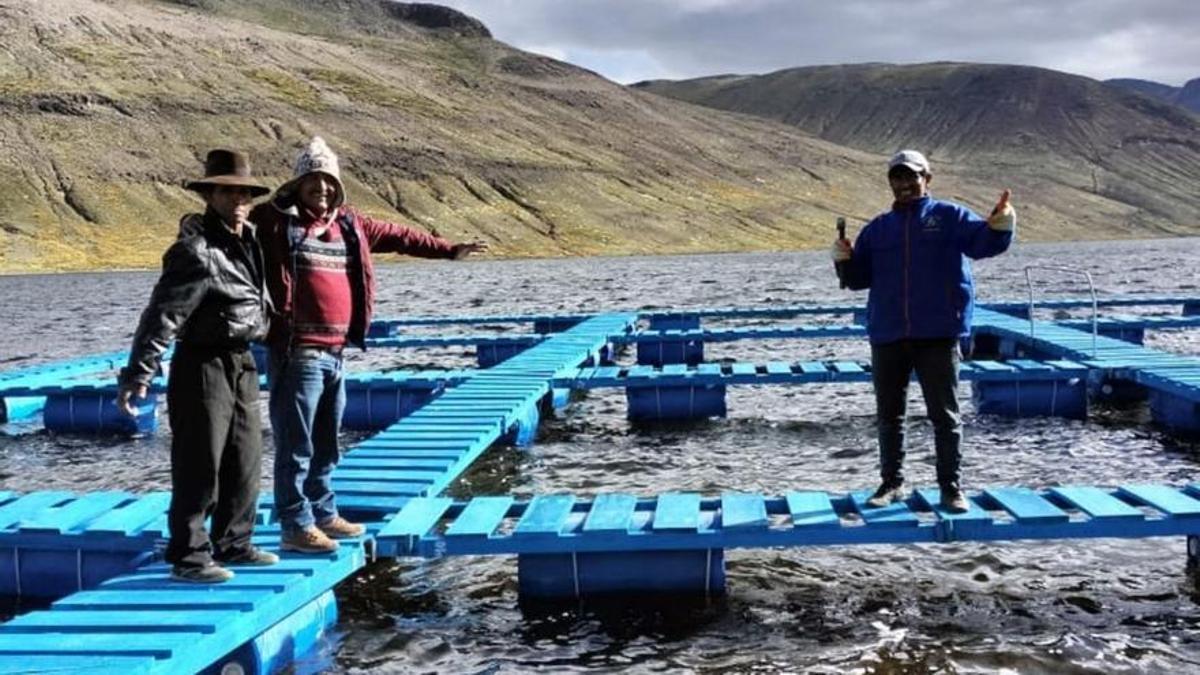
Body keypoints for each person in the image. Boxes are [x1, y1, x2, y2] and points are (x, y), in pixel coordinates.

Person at [253, 136, 488, 553]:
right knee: (296, 444)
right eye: (313, 182)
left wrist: (450, 250)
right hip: (296, 353)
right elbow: (234, 224)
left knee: (327, 442)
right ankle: (295, 524)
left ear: (337, 187)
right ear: (298, 185)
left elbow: (402, 237)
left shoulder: (350, 225)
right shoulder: (275, 223)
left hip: (336, 353)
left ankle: (324, 513)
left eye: (328, 183)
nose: (321, 191)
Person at [118, 149, 278, 583]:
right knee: (199, 461)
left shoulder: (249, 242)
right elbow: (162, 315)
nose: (239, 199)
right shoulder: (195, 250)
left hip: (242, 361)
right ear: (210, 194)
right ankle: (189, 557)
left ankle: (236, 543)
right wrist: (139, 374)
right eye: (228, 191)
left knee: (245, 458)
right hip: (201, 363)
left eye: (244, 192)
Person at [832, 149, 1015, 513]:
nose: (905, 184)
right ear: (891, 182)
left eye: (912, 176)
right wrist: (843, 260)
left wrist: (1001, 223)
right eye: (897, 178)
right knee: (889, 415)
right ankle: (892, 483)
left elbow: (984, 244)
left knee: (945, 415)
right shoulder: (877, 229)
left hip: (938, 332)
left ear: (926, 178)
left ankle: (951, 487)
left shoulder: (950, 216)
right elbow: (858, 280)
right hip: (888, 333)